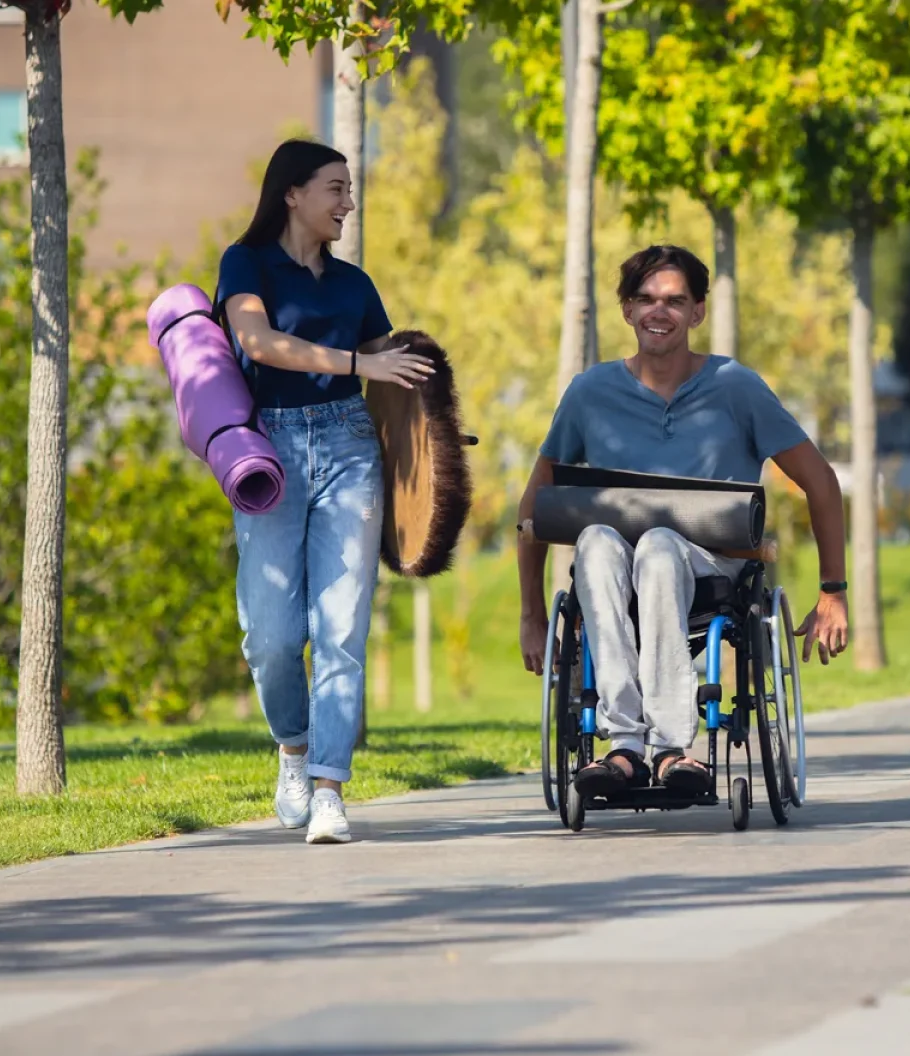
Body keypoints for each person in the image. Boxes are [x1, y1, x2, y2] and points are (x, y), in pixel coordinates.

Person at [517, 245, 850, 797]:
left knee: (659, 545)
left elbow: (820, 481)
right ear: (626, 310)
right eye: (645, 299)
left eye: (675, 301)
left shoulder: (735, 386)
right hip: (613, 566)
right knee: (597, 540)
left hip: (708, 565)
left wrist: (832, 590)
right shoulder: (590, 393)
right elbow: (533, 509)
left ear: (698, 312)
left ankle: (673, 746)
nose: (658, 311)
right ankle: (623, 743)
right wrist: (531, 615)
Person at [217, 139, 435, 844]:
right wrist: (353, 360)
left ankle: (331, 789)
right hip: (270, 449)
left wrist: (430, 452)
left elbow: (390, 380)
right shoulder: (245, 264)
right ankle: (293, 746)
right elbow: (257, 342)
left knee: (341, 631)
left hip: (349, 447)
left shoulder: (355, 285)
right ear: (292, 193)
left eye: (350, 189)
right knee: (272, 637)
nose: (349, 202)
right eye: (336, 188)